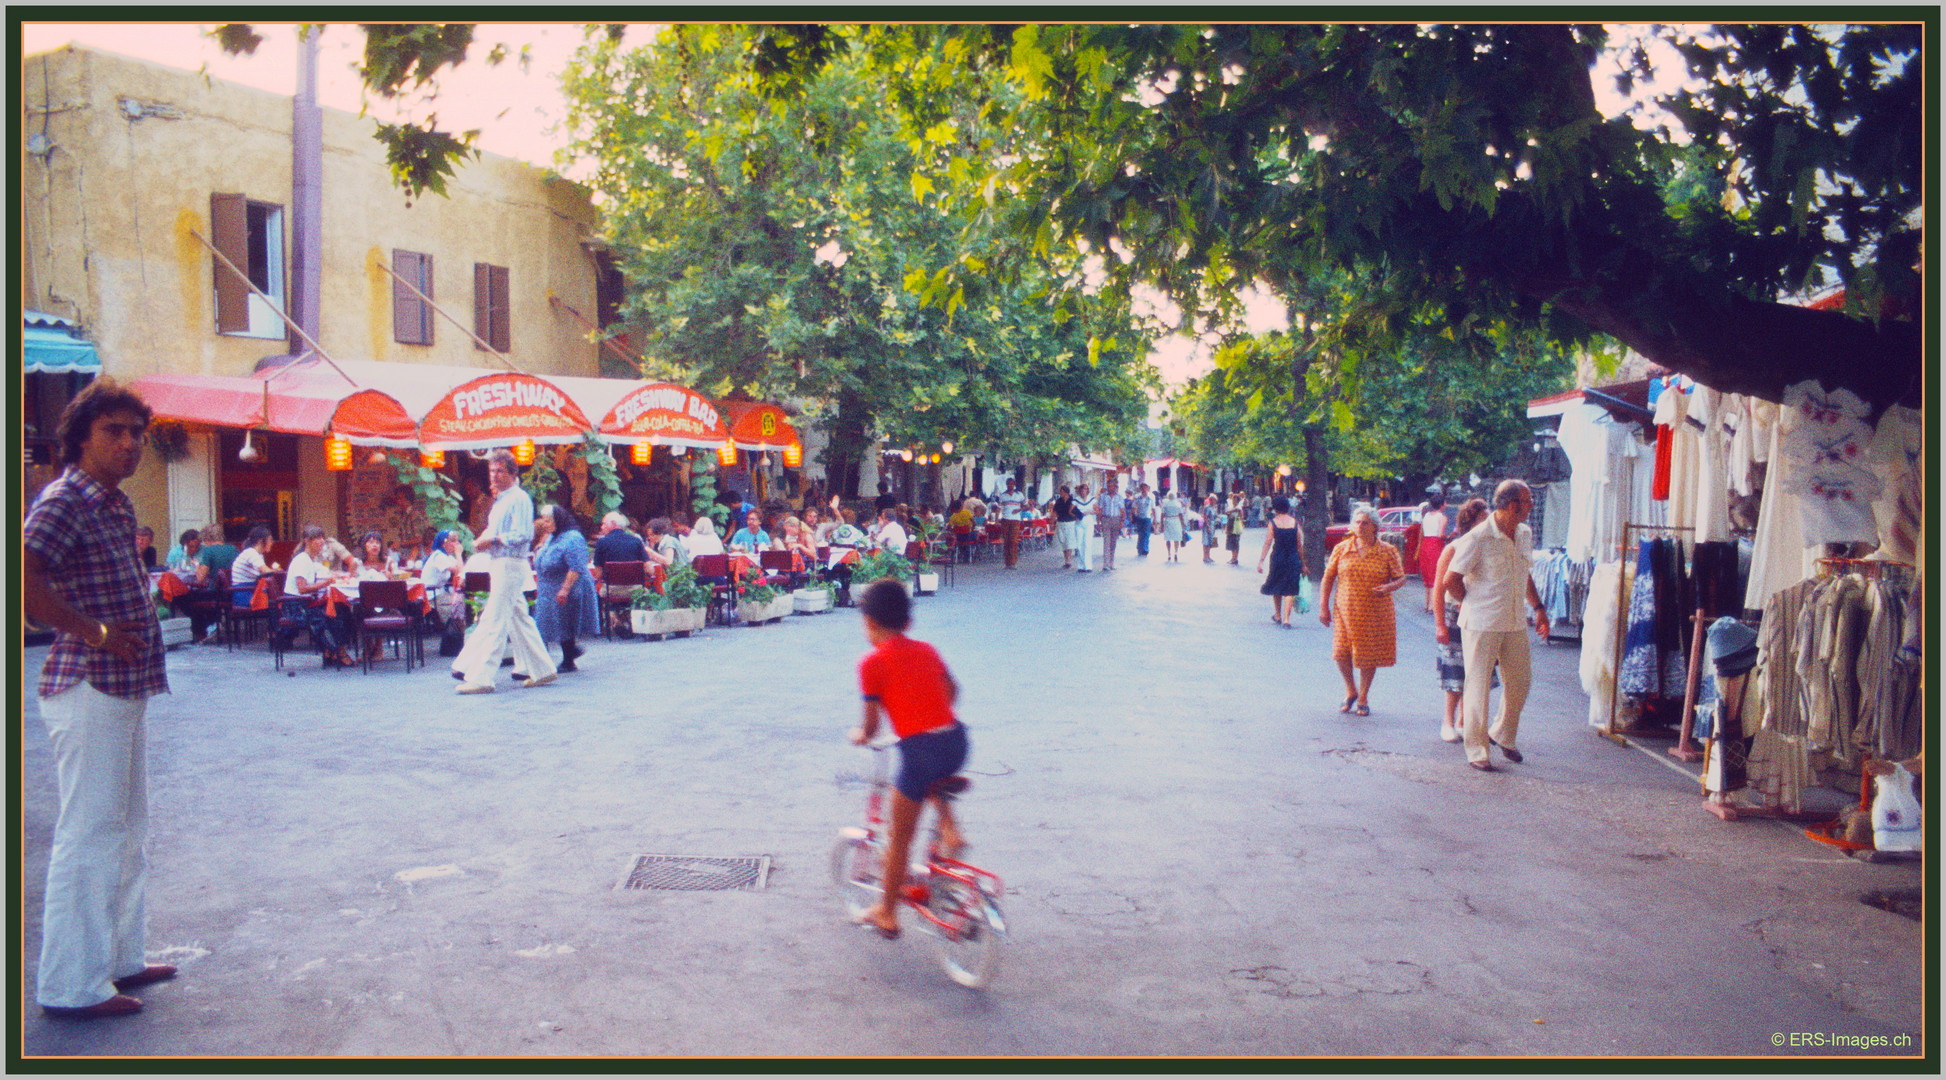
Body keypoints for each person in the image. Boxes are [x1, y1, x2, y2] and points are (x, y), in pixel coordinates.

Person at [22, 379, 178, 1020]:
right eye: (114, 430)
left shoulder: (113, 502)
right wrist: (98, 632)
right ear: (80, 437)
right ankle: (70, 985)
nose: (130, 443)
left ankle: (117, 960)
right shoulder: (63, 501)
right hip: (87, 684)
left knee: (127, 828)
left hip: (124, 685)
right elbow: (21, 580)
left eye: (136, 432)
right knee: (88, 833)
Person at [846, 579, 971, 939]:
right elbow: (953, 692)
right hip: (957, 742)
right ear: (908, 622)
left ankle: (886, 913)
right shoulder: (928, 649)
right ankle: (950, 827)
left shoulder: (871, 663)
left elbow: (870, 728)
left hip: (919, 752)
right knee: (932, 769)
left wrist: (860, 736)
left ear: (869, 622)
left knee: (901, 835)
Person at [1439, 480, 1549, 771]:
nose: (1531, 507)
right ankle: (1477, 749)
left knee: (1520, 681)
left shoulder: (1524, 533)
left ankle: (1501, 733)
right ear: (1512, 505)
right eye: (1528, 502)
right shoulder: (1477, 538)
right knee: (1478, 686)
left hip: (1514, 621)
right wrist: (1471, 602)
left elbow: (1524, 574)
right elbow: (1450, 580)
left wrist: (1538, 607)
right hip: (1482, 622)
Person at [450, 449, 558, 694]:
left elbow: (525, 534)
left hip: (510, 561)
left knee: (495, 619)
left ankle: (482, 677)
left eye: (499, 471)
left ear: (511, 473)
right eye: (491, 471)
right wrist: (483, 540)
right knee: (518, 617)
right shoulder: (502, 500)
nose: (494, 476)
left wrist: (493, 539)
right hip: (500, 562)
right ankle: (543, 669)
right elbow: (496, 531)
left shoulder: (518, 498)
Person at [1319, 507, 1409, 716]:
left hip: (1374, 610)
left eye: (1365, 523)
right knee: (1341, 652)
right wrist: (1323, 606)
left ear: (1375, 527)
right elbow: (1328, 578)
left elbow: (1401, 578)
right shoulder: (1342, 549)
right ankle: (1350, 689)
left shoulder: (1387, 550)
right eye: (1357, 522)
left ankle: (1363, 696)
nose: (1360, 526)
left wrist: (1388, 587)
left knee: (1368, 654)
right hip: (1345, 608)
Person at [1429, 499, 1494, 743]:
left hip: (1482, 614)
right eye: (1482, 519)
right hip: (1454, 615)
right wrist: (1439, 624)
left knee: (1477, 670)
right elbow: (1439, 588)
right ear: (1470, 522)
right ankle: (1447, 720)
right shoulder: (1454, 548)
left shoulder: (1489, 547)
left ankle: (1464, 721)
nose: (1488, 524)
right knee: (1455, 671)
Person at [533, 504, 600, 674]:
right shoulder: (553, 537)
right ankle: (566, 656)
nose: (545, 524)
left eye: (548, 521)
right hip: (549, 588)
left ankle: (567, 659)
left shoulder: (573, 538)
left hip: (567, 586)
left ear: (558, 520)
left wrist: (564, 589)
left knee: (564, 622)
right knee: (549, 622)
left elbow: (576, 566)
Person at [285, 524, 358, 668]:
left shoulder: (310, 560)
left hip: (307, 602)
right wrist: (326, 583)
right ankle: (337, 652)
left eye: (322, 538)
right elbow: (302, 589)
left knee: (343, 609)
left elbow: (327, 572)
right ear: (307, 541)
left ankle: (334, 651)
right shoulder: (302, 560)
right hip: (296, 606)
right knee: (335, 615)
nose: (321, 542)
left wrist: (339, 576)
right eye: (316, 539)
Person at [1256, 496, 1307, 627]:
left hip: (1278, 557)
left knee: (1276, 585)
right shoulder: (1295, 523)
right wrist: (1303, 564)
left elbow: (1268, 542)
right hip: (1292, 558)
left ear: (1276, 508)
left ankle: (1278, 615)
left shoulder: (1273, 523)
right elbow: (1299, 545)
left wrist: (1261, 560)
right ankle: (1286, 620)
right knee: (1290, 589)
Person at [420, 529, 468, 625]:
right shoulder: (438, 556)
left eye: (457, 541)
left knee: (465, 600)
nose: (457, 544)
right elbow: (459, 571)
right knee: (460, 603)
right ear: (444, 543)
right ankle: (456, 628)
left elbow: (462, 571)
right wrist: (458, 553)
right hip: (431, 595)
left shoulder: (447, 557)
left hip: (440, 593)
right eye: (453, 541)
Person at [1419, 492, 1451, 613]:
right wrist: (1449, 537)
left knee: (1427, 574)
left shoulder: (1426, 516)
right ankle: (1434, 605)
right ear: (1441, 504)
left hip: (1425, 544)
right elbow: (1441, 535)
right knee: (1435, 574)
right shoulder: (1442, 517)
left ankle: (1427, 604)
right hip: (1435, 544)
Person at [994, 477, 1027, 569]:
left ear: (1014, 484)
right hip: (1005, 519)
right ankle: (1007, 563)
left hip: (1015, 520)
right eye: (1008, 484)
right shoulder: (1003, 495)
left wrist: (1019, 509)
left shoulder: (1019, 495)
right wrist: (997, 520)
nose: (1010, 485)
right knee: (1006, 541)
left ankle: (1013, 562)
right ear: (1006, 485)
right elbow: (998, 508)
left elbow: (1026, 506)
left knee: (1013, 541)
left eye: (1012, 484)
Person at [1098, 478, 1127, 571]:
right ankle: (1105, 564)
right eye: (1108, 486)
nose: (1110, 488)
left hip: (1116, 519)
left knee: (1113, 542)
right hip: (1106, 519)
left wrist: (1122, 521)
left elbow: (1122, 510)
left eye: (1111, 486)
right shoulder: (1102, 496)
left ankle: (1111, 563)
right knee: (1106, 541)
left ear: (1115, 487)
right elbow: (1100, 510)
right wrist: (1098, 522)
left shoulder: (1119, 497)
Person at [1072, 483, 1098, 572]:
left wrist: (1089, 512)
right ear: (1079, 491)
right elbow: (1070, 511)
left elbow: (1097, 510)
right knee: (1079, 544)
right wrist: (1076, 515)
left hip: (1088, 521)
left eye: (1085, 489)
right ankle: (1081, 565)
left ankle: (1088, 566)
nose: (1084, 491)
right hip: (1079, 522)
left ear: (1088, 490)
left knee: (1087, 543)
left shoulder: (1092, 499)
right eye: (1082, 489)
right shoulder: (1076, 500)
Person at [1052, 485, 1079, 569]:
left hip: (1070, 522)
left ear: (1065, 492)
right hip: (1060, 522)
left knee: (1069, 541)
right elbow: (1055, 511)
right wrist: (1053, 520)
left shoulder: (1072, 501)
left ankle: (1068, 560)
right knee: (1062, 541)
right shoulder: (1058, 501)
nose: (1060, 493)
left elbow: (1076, 511)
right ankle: (1066, 558)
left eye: (1061, 491)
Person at [1157, 488, 1186, 562]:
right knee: (1176, 538)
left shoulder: (1165, 504)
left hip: (1168, 520)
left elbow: (1162, 514)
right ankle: (1176, 552)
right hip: (1176, 520)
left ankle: (1169, 553)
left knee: (1168, 538)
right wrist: (1183, 523)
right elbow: (1181, 515)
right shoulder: (1178, 504)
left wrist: (1161, 524)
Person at [1131, 483, 1156, 557]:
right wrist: (1131, 515)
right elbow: (1134, 507)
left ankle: (1145, 549)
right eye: (1143, 488)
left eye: (1146, 488)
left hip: (1147, 517)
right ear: (1141, 489)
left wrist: (1154, 518)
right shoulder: (1137, 497)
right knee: (1140, 533)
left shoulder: (1151, 497)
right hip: (1139, 517)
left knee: (1146, 534)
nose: (1145, 490)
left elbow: (1153, 508)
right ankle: (1139, 548)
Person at [1200, 493, 1223, 564]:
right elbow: (1205, 517)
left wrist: (1221, 518)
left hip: (1212, 525)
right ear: (1210, 500)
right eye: (1214, 500)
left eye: (1215, 500)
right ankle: (1205, 556)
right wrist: (1208, 526)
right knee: (1206, 541)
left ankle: (1208, 556)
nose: (1215, 502)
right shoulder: (1207, 507)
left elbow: (1216, 516)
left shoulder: (1213, 508)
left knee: (1210, 542)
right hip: (1208, 525)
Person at [1226, 492, 1247, 565]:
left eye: (1235, 500)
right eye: (1233, 499)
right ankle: (1233, 557)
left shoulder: (1238, 507)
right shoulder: (1231, 506)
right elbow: (1227, 513)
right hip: (1230, 524)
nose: (1234, 501)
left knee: (1236, 541)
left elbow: (1236, 512)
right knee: (1231, 541)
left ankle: (1235, 558)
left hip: (1236, 525)